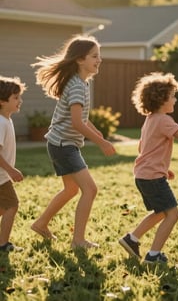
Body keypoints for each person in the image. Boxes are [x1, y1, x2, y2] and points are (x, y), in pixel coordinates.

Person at [30, 35, 116, 249]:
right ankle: (78, 240)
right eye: (94, 56)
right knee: (90, 190)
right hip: (64, 145)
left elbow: (83, 119)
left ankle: (41, 223)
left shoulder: (80, 83)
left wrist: (101, 137)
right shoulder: (77, 86)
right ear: (80, 59)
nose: (99, 60)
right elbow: (78, 123)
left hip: (60, 143)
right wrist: (101, 143)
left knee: (71, 190)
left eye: (100, 56)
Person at [118, 72, 178, 263]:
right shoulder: (165, 120)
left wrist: (162, 168)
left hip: (143, 175)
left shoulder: (150, 120)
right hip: (152, 177)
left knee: (160, 212)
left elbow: (143, 147)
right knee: (173, 214)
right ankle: (154, 255)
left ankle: (131, 239)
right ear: (161, 99)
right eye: (173, 96)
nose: (175, 100)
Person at [0, 76, 26, 252]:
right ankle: (2, 244)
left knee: (3, 207)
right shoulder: (1, 123)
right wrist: (11, 170)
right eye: (15, 98)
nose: (20, 101)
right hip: (1, 176)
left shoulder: (6, 120)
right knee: (11, 205)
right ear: (2, 101)